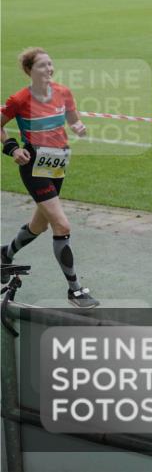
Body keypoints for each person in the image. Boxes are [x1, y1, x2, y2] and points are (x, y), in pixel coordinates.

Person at [1, 47, 99, 308]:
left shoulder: (63, 92)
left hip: (57, 163)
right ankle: (75, 290)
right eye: (42, 65)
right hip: (33, 164)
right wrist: (12, 148)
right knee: (62, 225)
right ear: (29, 70)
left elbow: (72, 118)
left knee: (40, 225)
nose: (49, 69)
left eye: (50, 64)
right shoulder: (19, 99)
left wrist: (78, 127)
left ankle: (5, 254)